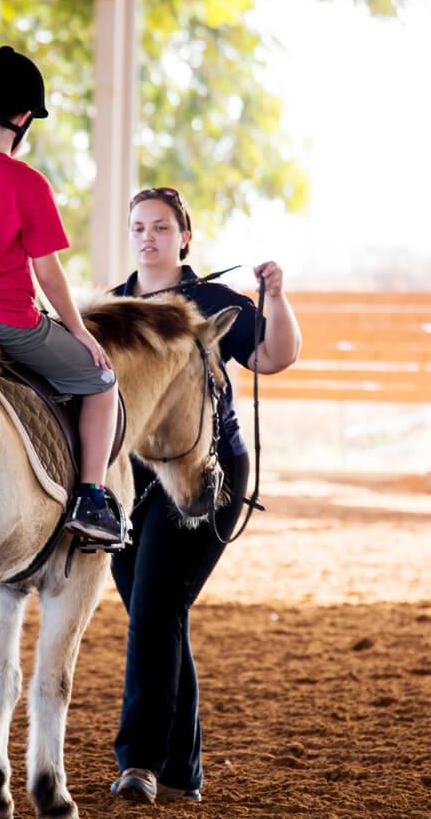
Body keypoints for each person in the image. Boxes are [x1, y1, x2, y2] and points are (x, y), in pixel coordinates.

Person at [108, 187, 302, 803]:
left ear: (184, 237)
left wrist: (275, 296)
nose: (148, 237)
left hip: (204, 471)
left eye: (162, 227)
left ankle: (139, 760)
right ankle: (181, 771)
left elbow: (275, 356)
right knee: (154, 614)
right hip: (128, 479)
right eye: (139, 226)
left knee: (156, 607)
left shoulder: (214, 301)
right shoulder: (113, 308)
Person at [0, 45, 125, 546]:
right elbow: (49, 276)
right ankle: (90, 498)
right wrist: (79, 332)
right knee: (100, 382)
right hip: (5, 322)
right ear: (26, 116)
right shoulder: (29, 183)